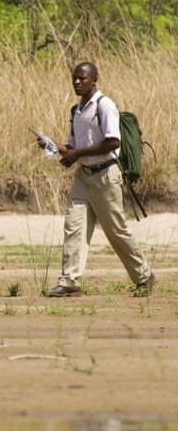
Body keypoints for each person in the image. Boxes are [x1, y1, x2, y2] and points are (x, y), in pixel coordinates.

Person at [37, 62, 155, 297]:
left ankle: (144, 276)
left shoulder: (104, 105)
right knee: (74, 227)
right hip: (83, 176)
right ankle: (69, 281)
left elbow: (113, 142)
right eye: (74, 79)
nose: (77, 82)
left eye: (82, 78)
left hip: (105, 176)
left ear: (94, 80)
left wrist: (77, 154)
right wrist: (54, 147)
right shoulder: (76, 110)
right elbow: (73, 146)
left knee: (116, 230)